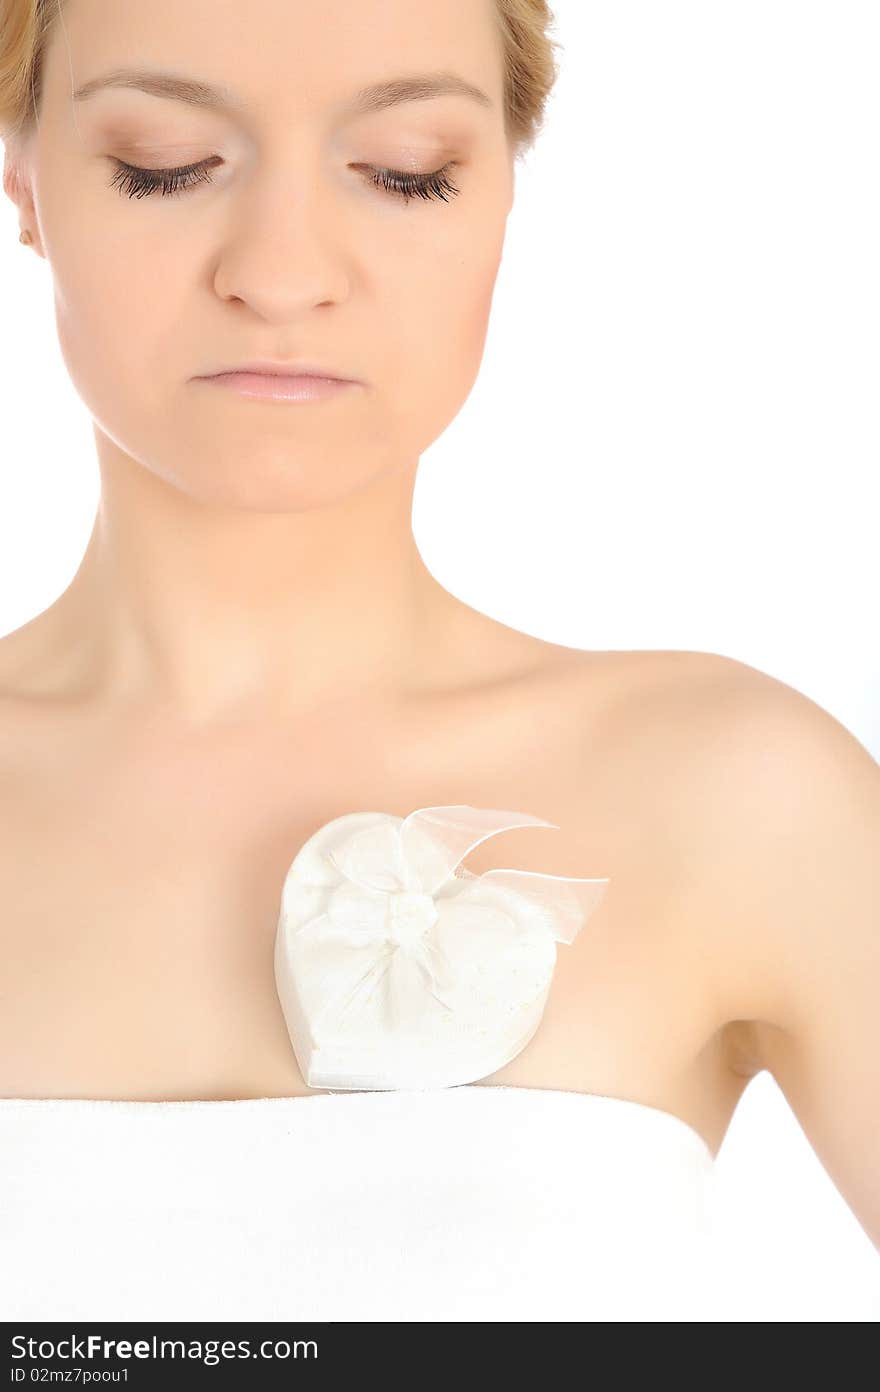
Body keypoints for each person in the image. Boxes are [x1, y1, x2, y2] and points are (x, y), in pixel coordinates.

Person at [0, 0, 877, 1322]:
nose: (284, 272)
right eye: (165, 162)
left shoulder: (736, 792)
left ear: (500, 202)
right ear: (26, 186)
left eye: (406, 169)